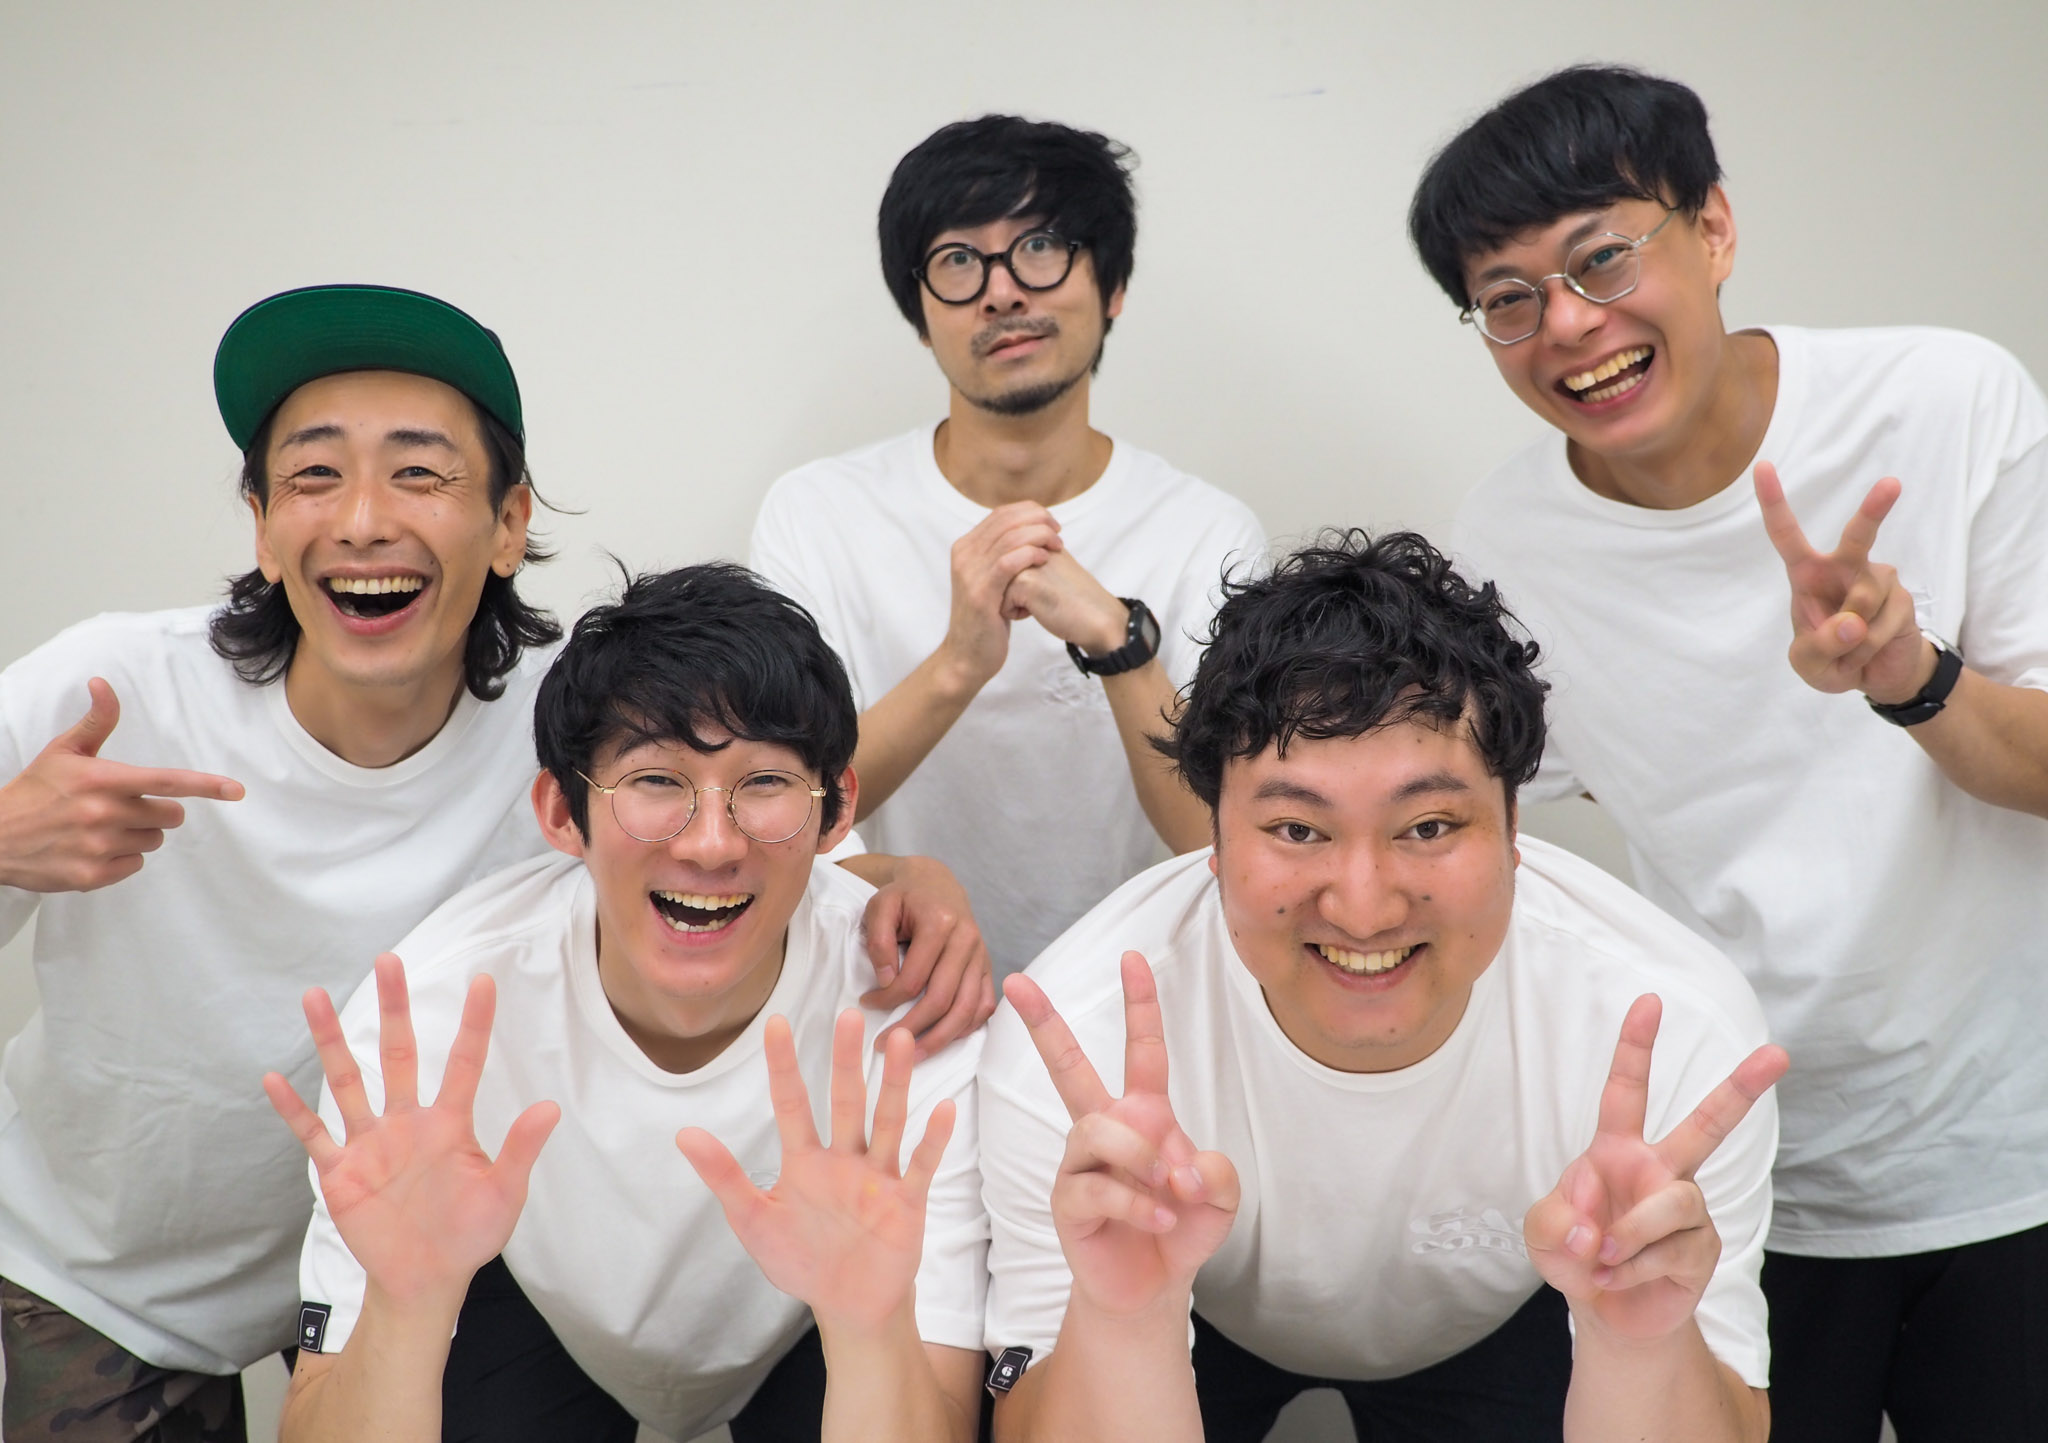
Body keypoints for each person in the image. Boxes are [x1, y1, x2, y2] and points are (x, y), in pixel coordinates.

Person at [0, 286, 990, 1441]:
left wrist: (914, 883)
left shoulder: (583, 718)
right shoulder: (111, 691)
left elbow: (773, 858)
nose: (363, 519)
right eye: (315, 475)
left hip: (419, 1231)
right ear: (262, 527)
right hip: (109, 1268)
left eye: (418, 473)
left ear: (510, 522)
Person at [1410, 64, 2048, 1440]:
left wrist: (1914, 680)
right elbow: (1473, 826)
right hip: (1737, 1170)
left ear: (1711, 228)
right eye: (1508, 298)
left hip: (2016, 1146)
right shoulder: (1505, 539)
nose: (1567, 325)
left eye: (1601, 259)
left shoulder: (1942, 399)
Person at [977, 532, 1786, 1443]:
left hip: (1529, 1306)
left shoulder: (1673, 1032)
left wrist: (1638, 1342)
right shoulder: (1076, 1049)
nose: (1363, 909)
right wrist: (1125, 1315)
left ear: (1514, 825)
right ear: (1213, 836)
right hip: (1182, 1300)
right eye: (1297, 830)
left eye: (1428, 825)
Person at [268, 564, 987, 1443]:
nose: (712, 844)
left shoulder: (917, 1009)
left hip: (818, 1323)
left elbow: (941, 1414)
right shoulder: (429, 1015)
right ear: (561, 812)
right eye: (656, 782)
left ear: (835, 811)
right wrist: (406, 1304)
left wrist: (871, 1329)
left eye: (765, 783)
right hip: (530, 1304)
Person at [751, 114, 1266, 978]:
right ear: (921, 316)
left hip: (1133, 994)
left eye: (1040, 248)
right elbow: (771, 811)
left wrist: (1121, 644)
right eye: (958, 261)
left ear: (1113, 287)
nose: (1001, 293)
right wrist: (959, 662)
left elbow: (1225, 845)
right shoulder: (817, 514)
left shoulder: (1208, 532)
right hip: (880, 982)